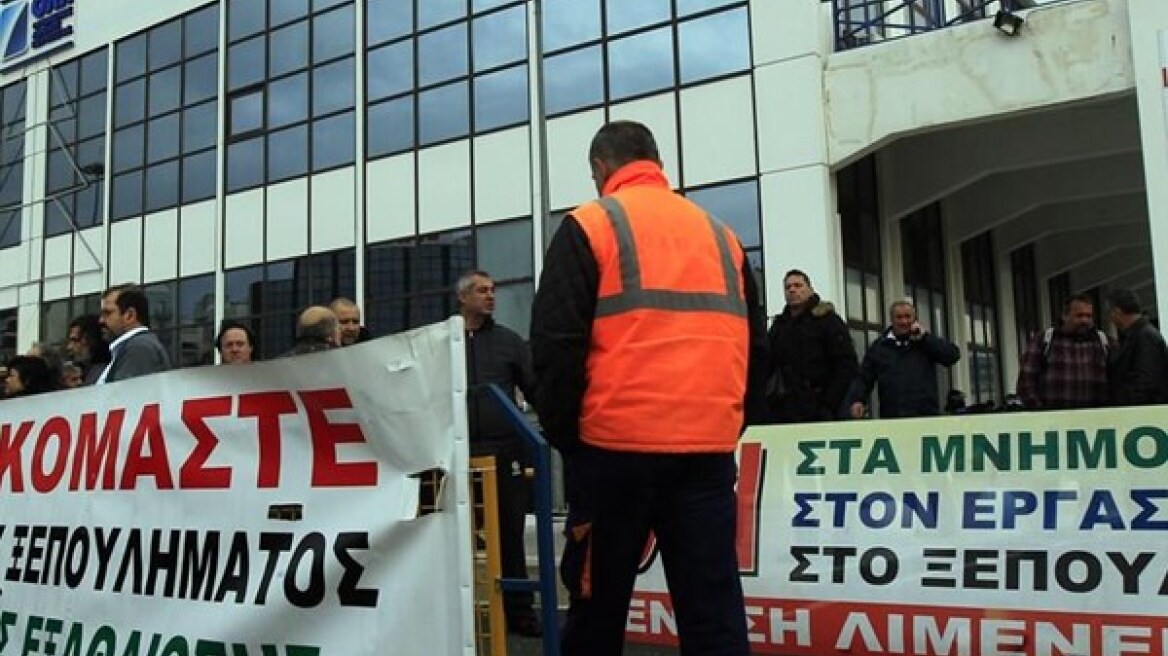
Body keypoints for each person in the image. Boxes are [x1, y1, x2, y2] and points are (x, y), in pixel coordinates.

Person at [530, 120, 768, 656]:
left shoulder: (591, 224)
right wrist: (728, 423)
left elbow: (555, 346)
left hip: (614, 451)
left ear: (601, 168)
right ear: (656, 162)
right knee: (713, 616)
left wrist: (570, 440)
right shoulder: (721, 236)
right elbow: (757, 348)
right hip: (706, 453)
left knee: (596, 613)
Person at [456, 269, 541, 637]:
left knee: (509, 535)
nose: (490, 296)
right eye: (481, 290)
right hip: (456, 452)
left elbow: (535, 387)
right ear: (463, 298)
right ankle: (456, 616)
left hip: (504, 453)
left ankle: (519, 613)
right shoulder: (443, 342)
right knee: (455, 535)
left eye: (492, 290)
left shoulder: (509, 342)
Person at [765, 269, 857, 422]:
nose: (792, 290)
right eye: (788, 287)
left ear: (810, 289)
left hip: (820, 407)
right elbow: (767, 363)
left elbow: (846, 364)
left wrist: (829, 404)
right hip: (784, 410)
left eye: (798, 285)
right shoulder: (779, 326)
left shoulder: (828, 321)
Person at [846, 300, 960, 419]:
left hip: (925, 417)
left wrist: (925, 338)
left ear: (914, 319)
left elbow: (952, 356)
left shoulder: (926, 343)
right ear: (892, 320)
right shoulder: (880, 347)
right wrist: (857, 400)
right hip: (892, 417)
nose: (904, 321)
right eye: (899, 317)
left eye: (907, 317)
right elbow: (864, 378)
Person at [1016, 294, 1110, 410]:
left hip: (1097, 418)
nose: (1084, 320)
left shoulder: (1103, 342)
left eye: (1088, 316)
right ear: (1064, 316)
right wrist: (1040, 412)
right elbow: (1026, 382)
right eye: (1079, 316)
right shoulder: (1045, 341)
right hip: (1054, 417)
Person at [97, 284, 172, 384]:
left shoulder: (140, 347)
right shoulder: (137, 346)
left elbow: (123, 392)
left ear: (130, 315)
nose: (101, 320)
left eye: (108, 313)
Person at [1105, 288, 1168, 406]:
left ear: (1117, 311)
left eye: (1110, 312)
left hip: (1142, 410)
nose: (1110, 318)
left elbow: (1145, 382)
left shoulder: (1144, 337)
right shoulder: (1142, 335)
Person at [67, 314, 111, 385]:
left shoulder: (102, 375)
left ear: (92, 340)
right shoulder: (80, 372)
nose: (69, 347)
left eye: (76, 341)